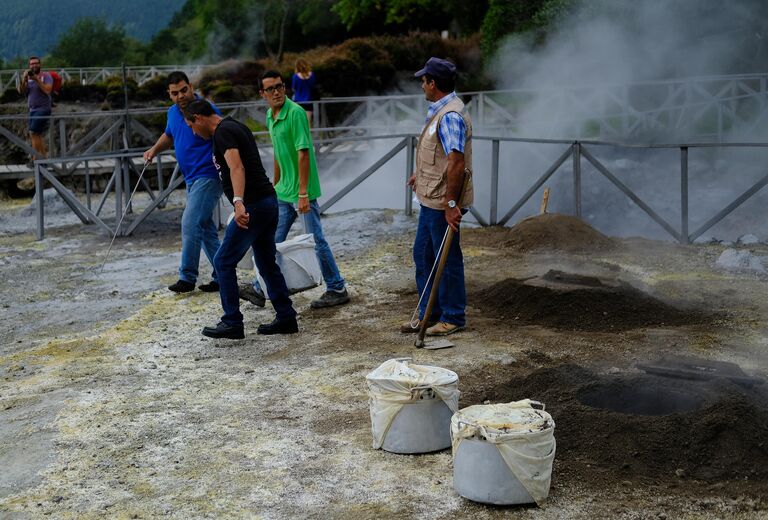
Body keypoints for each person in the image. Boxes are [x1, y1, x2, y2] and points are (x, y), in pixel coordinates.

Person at [183, 99, 299, 339]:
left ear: (198, 118)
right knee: (266, 262)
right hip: (268, 202)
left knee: (223, 261)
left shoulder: (222, 133)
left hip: (253, 205)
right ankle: (286, 317)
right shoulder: (235, 126)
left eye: (191, 127)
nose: (193, 133)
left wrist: (238, 202)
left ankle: (232, 322)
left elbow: (237, 168)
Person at [238, 70, 349, 310]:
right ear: (262, 94)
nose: (276, 92)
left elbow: (303, 153)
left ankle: (337, 287)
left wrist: (302, 193)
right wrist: (274, 185)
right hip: (283, 191)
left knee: (316, 240)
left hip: (302, 192)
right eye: (270, 89)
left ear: (285, 88)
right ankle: (260, 288)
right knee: (269, 242)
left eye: (279, 86)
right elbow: (279, 152)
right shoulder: (270, 115)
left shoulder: (296, 113)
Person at [403, 57, 474, 337]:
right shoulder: (442, 110)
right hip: (432, 197)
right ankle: (430, 313)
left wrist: (451, 204)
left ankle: (453, 315)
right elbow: (441, 156)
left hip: (442, 201)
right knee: (424, 255)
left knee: (446, 259)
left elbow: (456, 162)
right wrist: (420, 175)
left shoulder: (450, 115)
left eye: (424, 81)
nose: (422, 85)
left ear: (434, 84)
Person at [144, 71, 222, 294]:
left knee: (189, 222)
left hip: (208, 175)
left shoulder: (205, 109)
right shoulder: (172, 112)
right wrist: (153, 150)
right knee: (205, 228)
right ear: (169, 95)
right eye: (175, 93)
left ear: (190, 86)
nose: (181, 96)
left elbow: (222, 130)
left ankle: (187, 277)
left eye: (184, 90)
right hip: (190, 178)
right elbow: (169, 135)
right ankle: (223, 274)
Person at [17, 56, 53, 166]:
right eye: (32, 64)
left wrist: (37, 79)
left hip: (43, 108)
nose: (34, 65)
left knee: (33, 132)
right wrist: (24, 79)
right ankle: (43, 160)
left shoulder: (46, 76)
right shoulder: (28, 78)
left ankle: (35, 160)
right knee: (36, 134)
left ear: (40, 64)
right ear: (29, 66)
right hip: (32, 110)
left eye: (36, 63)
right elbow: (21, 91)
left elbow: (47, 90)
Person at [291, 59, 316, 126]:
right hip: (309, 101)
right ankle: (308, 136)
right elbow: (313, 87)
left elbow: (294, 89)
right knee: (308, 123)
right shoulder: (312, 75)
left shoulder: (295, 76)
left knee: (299, 124)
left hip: (298, 101)